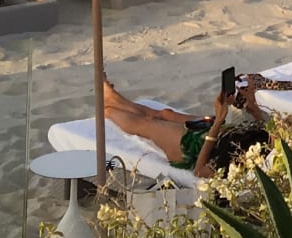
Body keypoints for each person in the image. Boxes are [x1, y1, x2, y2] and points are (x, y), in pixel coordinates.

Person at [100, 74, 272, 178]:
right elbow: (264, 131)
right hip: (218, 130)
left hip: (193, 147)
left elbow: (199, 171)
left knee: (148, 124)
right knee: (167, 114)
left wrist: (218, 122)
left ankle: (107, 110)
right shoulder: (274, 142)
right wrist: (253, 108)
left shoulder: (242, 160)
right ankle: (115, 100)